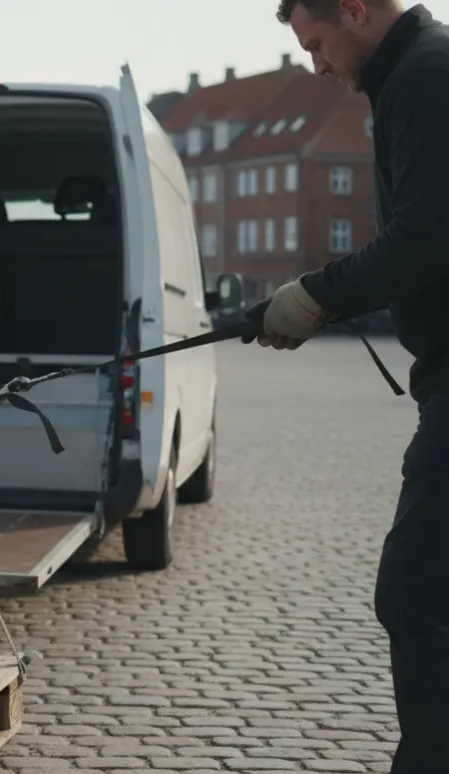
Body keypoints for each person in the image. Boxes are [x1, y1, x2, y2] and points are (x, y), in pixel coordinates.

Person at [262, 1, 449, 769]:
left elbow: (428, 234)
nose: (316, 63)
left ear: (357, 9)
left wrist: (317, 294)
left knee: (416, 596)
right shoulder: (416, 72)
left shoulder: (426, 78)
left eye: (317, 42)